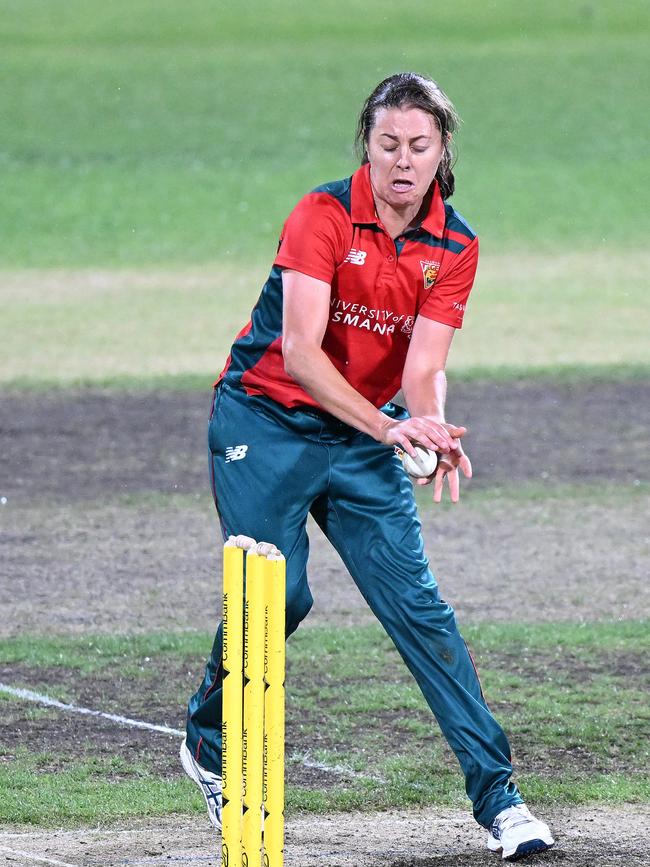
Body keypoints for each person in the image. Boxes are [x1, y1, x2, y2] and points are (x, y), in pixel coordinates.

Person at [180, 72, 554, 861]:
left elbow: (423, 367)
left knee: (420, 612)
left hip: (364, 436)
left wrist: (425, 423)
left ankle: (501, 799)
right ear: (368, 146)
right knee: (278, 596)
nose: (402, 161)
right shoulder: (321, 214)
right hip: (265, 417)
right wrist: (389, 431)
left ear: (443, 149)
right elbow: (302, 354)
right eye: (388, 144)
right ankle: (210, 744)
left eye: (419, 146)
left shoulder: (455, 244)